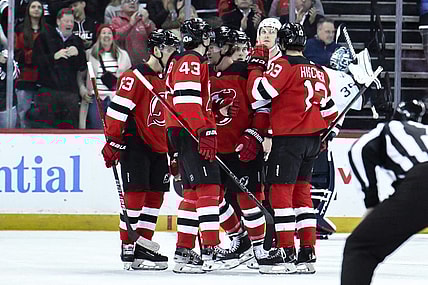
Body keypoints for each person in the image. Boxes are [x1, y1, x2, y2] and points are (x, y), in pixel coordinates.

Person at [247, 22, 338, 274]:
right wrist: (323, 135)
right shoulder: (318, 70)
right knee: (303, 197)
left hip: (289, 140)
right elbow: (331, 112)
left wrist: (255, 69)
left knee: (281, 196)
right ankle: (307, 253)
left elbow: (259, 93)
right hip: (312, 140)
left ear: (283, 44)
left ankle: (286, 252)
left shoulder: (283, 65)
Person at [101, 29, 180, 271]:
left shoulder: (168, 79)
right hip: (136, 144)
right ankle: (128, 246)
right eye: (169, 50)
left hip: (160, 146)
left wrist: (174, 151)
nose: (174, 56)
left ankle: (143, 247)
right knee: (135, 196)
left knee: (155, 197)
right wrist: (113, 142)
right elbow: (116, 113)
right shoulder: (134, 76)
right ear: (156, 50)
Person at [165, 18, 238, 273]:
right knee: (208, 188)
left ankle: (184, 250)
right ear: (204, 39)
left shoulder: (187, 62)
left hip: (185, 132)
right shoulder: (190, 62)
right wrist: (204, 129)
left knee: (193, 193)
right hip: (191, 132)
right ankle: (210, 248)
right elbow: (186, 103)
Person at [207, 25, 282, 271]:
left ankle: (260, 248)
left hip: (242, 147)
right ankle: (240, 241)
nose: (209, 50)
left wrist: (253, 135)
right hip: (214, 147)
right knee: (213, 198)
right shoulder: (204, 73)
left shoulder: (246, 72)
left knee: (248, 198)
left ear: (226, 49)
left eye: (215, 46)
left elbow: (263, 108)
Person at [341, 99, 428, 285]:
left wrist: (371, 202)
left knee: (360, 247)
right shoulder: (425, 130)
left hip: (421, 181)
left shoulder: (389, 128)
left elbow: (358, 150)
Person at [31, 7, 86, 129]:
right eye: (66, 21)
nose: (69, 24)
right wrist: (53, 56)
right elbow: (35, 61)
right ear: (58, 21)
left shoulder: (77, 41)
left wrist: (79, 54)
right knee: (46, 127)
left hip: (70, 93)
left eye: (71, 22)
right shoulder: (44, 38)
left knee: (70, 128)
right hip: (48, 91)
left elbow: (82, 67)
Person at [81, 24, 131, 129]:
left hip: (116, 98)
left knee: (115, 130)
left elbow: (130, 77)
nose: (106, 36)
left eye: (109, 33)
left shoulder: (123, 55)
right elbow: (80, 74)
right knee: (97, 129)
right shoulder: (89, 54)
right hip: (96, 97)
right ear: (99, 36)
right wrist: (83, 89)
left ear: (113, 37)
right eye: (103, 33)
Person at [14, 0, 48, 128]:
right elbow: (17, 53)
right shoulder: (20, 29)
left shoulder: (47, 30)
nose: (36, 9)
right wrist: (33, 55)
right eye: (33, 6)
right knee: (23, 111)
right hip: (25, 76)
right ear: (28, 10)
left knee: (42, 113)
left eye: (39, 7)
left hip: (43, 77)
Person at [111, 0, 156, 66]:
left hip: (145, 62)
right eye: (128, 1)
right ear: (121, 6)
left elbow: (156, 38)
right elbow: (116, 38)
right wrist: (130, 24)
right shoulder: (116, 21)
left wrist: (147, 23)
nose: (132, 3)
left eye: (135, 1)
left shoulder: (143, 19)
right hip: (124, 64)